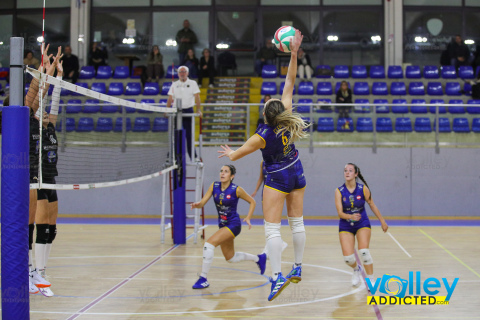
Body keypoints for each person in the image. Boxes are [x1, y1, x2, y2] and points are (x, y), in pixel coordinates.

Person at [218, 29, 309, 302]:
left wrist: (230, 152)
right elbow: (290, 79)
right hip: (296, 167)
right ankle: (298, 265)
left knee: (272, 228)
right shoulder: (287, 115)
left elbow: (237, 156)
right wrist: (293, 53)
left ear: (265, 113)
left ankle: (277, 276)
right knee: (297, 222)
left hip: (278, 177)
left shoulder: (261, 135)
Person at [190, 165, 266, 289]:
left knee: (208, 245)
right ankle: (259, 258)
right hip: (223, 225)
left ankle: (203, 278)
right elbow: (202, 203)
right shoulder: (214, 186)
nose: (222, 173)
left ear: (232, 176)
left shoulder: (236, 189)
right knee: (231, 258)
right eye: (221, 171)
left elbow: (252, 201)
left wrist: (248, 217)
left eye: (226, 172)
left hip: (234, 224)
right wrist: (197, 205)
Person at [32, 59, 63, 297]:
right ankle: (35, 271)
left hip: (51, 180)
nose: (45, 114)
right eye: (40, 112)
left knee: (51, 228)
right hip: (37, 179)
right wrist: (45, 71)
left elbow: (54, 101)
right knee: (39, 224)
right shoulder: (33, 127)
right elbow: (37, 98)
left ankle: (42, 270)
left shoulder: (50, 127)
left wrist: (58, 78)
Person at [335, 163, 388, 287]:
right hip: (346, 224)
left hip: (362, 223)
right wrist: (350, 216)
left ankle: (370, 280)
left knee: (364, 252)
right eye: (345, 170)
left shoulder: (363, 189)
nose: (347, 173)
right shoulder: (339, 191)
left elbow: (372, 205)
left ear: (356, 174)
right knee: (348, 258)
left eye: (350, 170)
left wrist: (382, 221)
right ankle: (356, 269)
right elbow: (340, 213)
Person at [166, 66, 202, 160]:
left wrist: (198, 110)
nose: (182, 73)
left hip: (188, 111)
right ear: (178, 74)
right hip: (176, 111)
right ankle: (172, 156)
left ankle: (193, 157)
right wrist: (167, 110)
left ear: (187, 73)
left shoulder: (193, 83)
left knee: (189, 135)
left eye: (184, 72)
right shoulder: (174, 84)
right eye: (180, 72)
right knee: (175, 135)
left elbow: (197, 97)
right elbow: (170, 98)